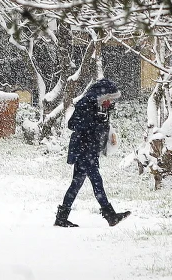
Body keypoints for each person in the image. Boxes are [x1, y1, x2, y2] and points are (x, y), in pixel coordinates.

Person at [55, 78, 131, 227]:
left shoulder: (99, 106)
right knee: (96, 181)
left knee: (76, 184)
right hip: (84, 150)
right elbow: (73, 124)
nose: (110, 103)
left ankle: (61, 218)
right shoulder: (86, 103)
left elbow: (99, 129)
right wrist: (94, 121)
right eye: (109, 99)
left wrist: (108, 134)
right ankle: (110, 215)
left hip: (89, 150)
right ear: (102, 95)